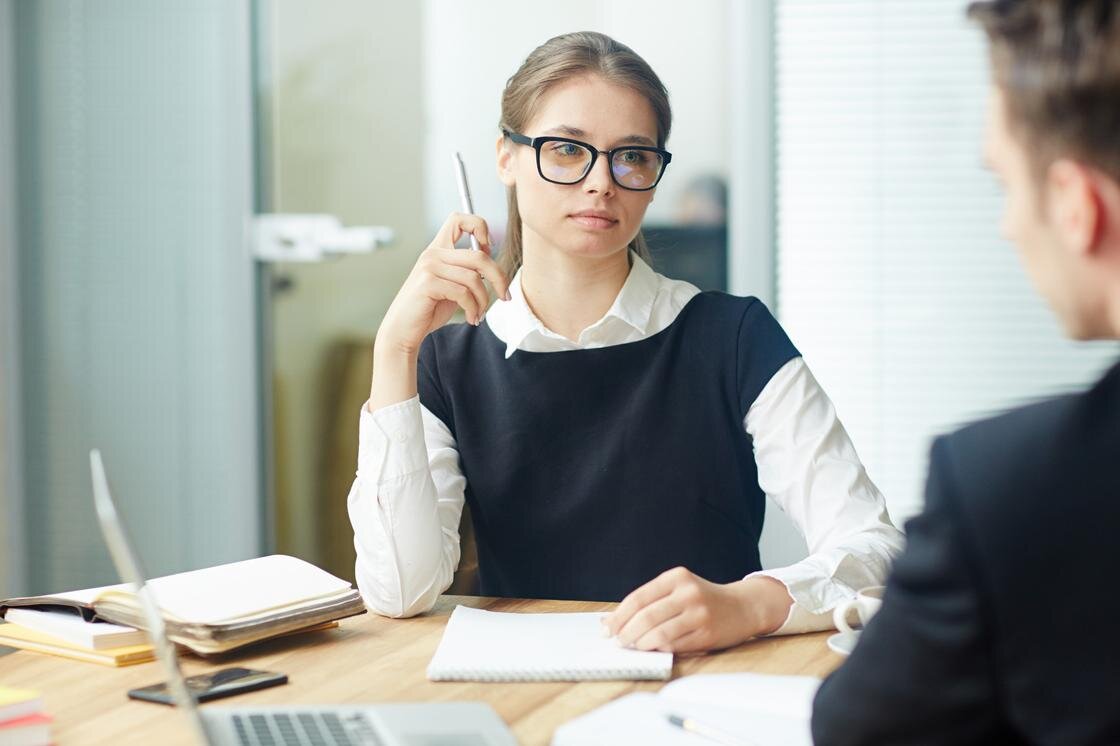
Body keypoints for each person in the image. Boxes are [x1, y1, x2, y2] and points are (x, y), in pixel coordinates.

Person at [347, 31, 903, 653]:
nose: (601, 183)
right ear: (505, 156)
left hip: (703, 684)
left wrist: (750, 603)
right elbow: (401, 591)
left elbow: (875, 548)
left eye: (632, 156)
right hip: (523, 691)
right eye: (566, 149)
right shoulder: (447, 364)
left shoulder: (733, 338)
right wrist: (395, 350)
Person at [812, 1, 1120, 743]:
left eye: (1006, 184)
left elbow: (856, 729)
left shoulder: (1011, 491)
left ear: (1077, 207)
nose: (1009, 223)